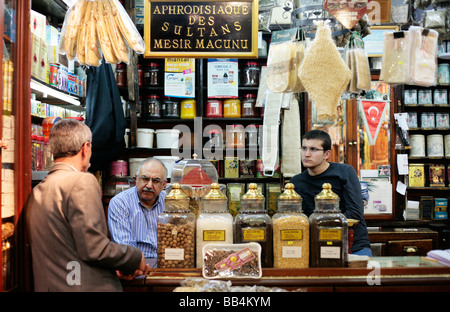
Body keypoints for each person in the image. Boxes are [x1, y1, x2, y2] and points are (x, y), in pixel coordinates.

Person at [26, 119, 149, 292]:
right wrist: (135, 257)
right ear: (85, 148)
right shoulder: (81, 181)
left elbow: (68, 249)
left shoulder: (37, 190)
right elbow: (95, 248)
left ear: (52, 150)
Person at [290, 129, 372, 256]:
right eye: (304, 148)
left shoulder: (345, 173)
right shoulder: (296, 182)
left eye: (313, 149)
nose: (306, 154)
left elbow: (354, 213)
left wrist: (320, 223)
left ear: (326, 154)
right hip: (317, 246)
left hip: (352, 245)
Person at [108, 158, 168, 259]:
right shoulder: (120, 202)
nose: (149, 185)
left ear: (164, 185)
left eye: (156, 181)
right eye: (145, 179)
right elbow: (125, 247)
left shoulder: (170, 202)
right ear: (136, 178)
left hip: (168, 263)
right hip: (135, 265)